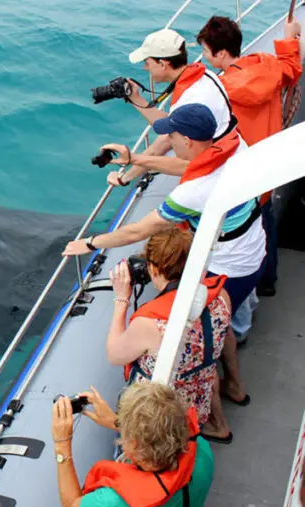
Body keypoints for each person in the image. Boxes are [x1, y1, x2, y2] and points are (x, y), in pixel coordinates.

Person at [63, 103, 264, 407]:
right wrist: (136, 159)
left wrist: (90, 243)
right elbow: (189, 167)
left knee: (207, 337)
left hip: (229, 266)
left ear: (189, 141)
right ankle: (235, 383)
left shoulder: (192, 192)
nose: (169, 138)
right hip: (253, 249)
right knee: (224, 326)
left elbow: (138, 231)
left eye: (173, 135)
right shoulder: (231, 149)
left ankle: (223, 403)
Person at [197, 15, 303, 301]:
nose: (205, 57)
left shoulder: (222, 90)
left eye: (206, 52)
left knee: (245, 227)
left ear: (220, 53)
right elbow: (292, 68)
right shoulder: (266, 65)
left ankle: (239, 286)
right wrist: (290, 38)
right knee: (265, 219)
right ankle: (268, 281)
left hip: (242, 169)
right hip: (270, 162)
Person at [105, 226, 233, 442]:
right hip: (199, 402)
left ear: (154, 270)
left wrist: (121, 301)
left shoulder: (150, 323)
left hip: (164, 414)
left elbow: (115, 355)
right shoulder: (221, 296)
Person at [104, 27, 247, 188]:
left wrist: (128, 170)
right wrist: (135, 98)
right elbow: (170, 131)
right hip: (236, 152)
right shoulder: (205, 76)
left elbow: (188, 164)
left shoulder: (190, 100)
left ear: (163, 64)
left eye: (147, 62)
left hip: (220, 173)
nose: (145, 68)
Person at [52, 381, 214, 507]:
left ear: (135, 445)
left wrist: (62, 444)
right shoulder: (202, 450)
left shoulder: (112, 502)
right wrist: (118, 423)